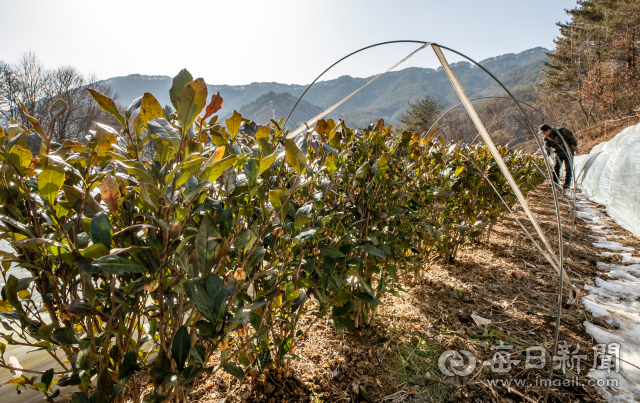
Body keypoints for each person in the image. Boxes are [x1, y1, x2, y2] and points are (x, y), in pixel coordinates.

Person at [539, 124, 578, 189]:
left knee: (568, 168)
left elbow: (571, 137)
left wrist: (575, 146)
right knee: (555, 167)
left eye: (543, 132)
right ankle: (555, 182)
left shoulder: (562, 131)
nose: (543, 134)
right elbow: (547, 146)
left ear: (548, 129)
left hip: (568, 152)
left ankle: (567, 183)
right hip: (558, 153)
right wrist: (547, 152)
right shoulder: (546, 137)